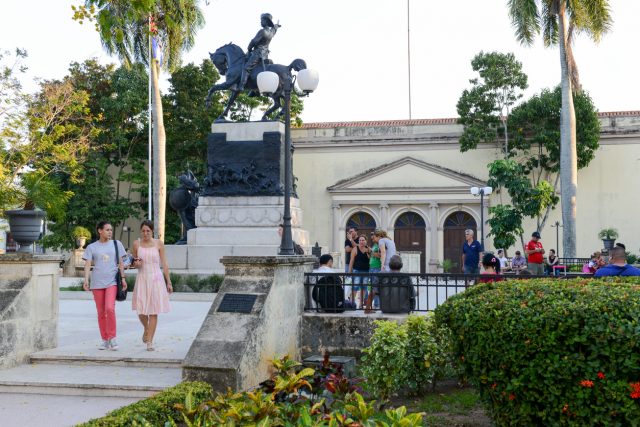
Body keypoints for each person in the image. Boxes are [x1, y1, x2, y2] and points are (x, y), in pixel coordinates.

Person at [82, 221, 128, 351]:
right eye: (107, 230)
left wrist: (123, 278)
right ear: (99, 231)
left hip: (112, 282)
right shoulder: (92, 247)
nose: (110, 232)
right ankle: (105, 339)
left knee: (109, 308)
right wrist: (86, 280)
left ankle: (112, 338)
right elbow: (87, 264)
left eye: (111, 230)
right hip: (97, 283)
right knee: (101, 312)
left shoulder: (116, 244)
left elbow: (121, 263)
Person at [132, 220, 172, 351]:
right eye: (143, 231)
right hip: (142, 279)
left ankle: (150, 341)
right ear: (140, 231)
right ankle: (146, 328)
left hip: (156, 279)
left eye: (148, 231)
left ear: (152, 231)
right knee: (141, 310)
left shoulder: (159, 244)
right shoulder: (136, 244)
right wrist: (136, 264)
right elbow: (134, 262)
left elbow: (164, 264)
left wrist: (169, 282)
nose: (145, 233)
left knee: (153, 311)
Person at [238, 13, 280, 91]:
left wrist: (249, 48)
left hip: (257, 54)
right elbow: (274, 30)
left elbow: (253, 41)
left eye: (262, 20)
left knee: (246, 68)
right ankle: (254, 91)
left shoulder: (262, 31)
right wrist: (276, 26)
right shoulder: (271, 32)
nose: (261, 22)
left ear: (266, 22)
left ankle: (241, 86)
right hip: (265, 55)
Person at [348, 235, 370, 308]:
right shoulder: (355, 249)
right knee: (355, 287)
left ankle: (361, 304)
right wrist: (349, 271)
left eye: (363, 240)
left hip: (366, 271)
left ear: (366, 241)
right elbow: (351, 260)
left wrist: (368, 251)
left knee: (364, 288)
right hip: (356, 270)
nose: (361, 242)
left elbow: (371, 258)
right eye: (360, 240)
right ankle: (351, 303)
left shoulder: (368, 249)